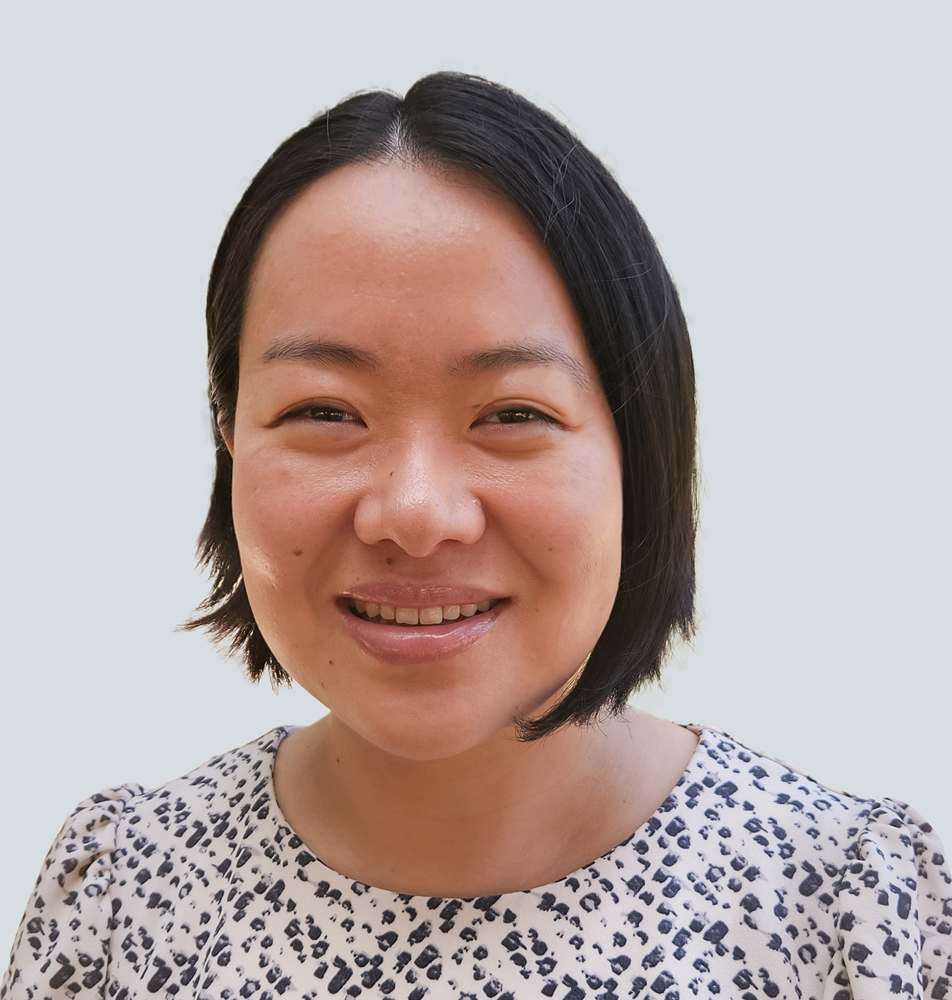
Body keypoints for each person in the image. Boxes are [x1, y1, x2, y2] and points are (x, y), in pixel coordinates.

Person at [3, 73, 949, 1000]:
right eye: (326, 410)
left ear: (640, 444)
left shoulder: (852, 914)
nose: (415, 514)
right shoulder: (119, 899)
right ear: (230, 433)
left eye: (511, 414)